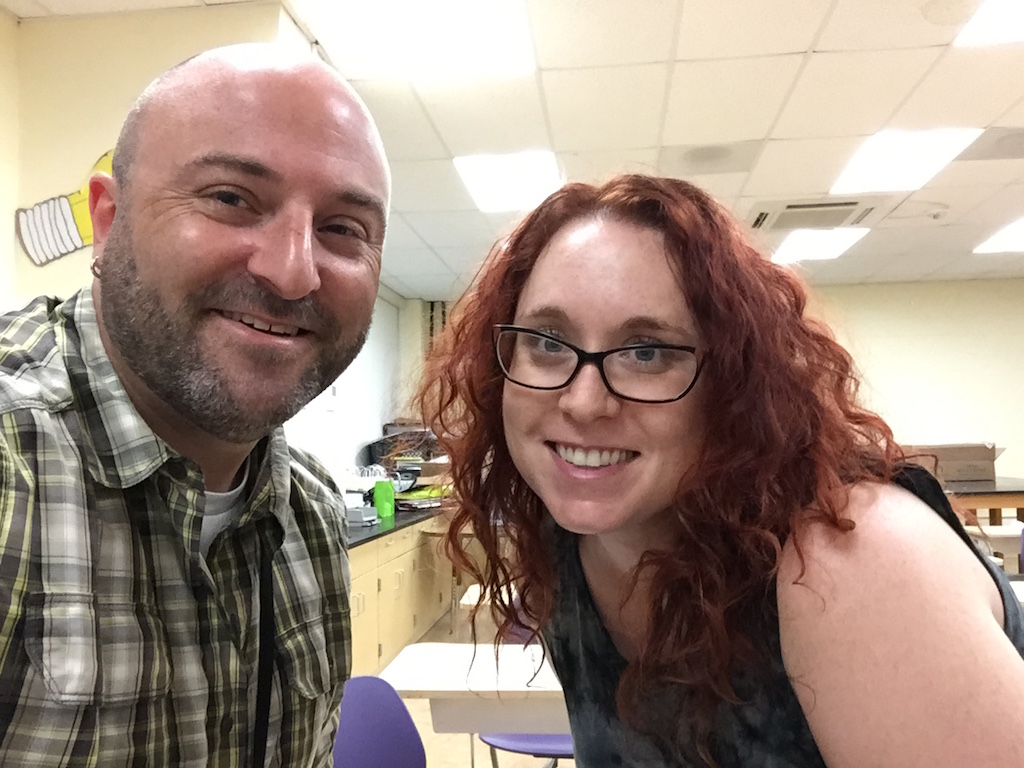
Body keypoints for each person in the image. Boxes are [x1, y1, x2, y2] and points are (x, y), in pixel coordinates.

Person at [419, 174, 1024, 767]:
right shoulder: (570, 540)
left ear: (734, 388)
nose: (581, 402)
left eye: (646, 352)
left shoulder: (847, 558)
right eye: (547, 343)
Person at [0, 43, 390, 767]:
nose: (293, 269)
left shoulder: (308, 514)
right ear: (108, 221)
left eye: (342, 228)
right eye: (230, 199)